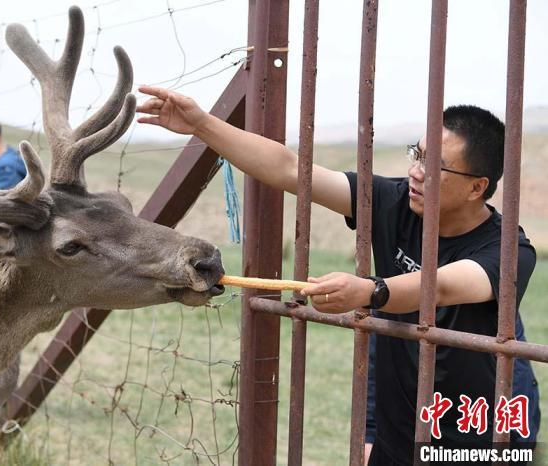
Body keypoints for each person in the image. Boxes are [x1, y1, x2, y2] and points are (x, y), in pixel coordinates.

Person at [136, 87, 540, 465]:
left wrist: (370, 291)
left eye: (435, 166)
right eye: (417, 155)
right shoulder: (393, 202)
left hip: (486, 434)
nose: (416, 173)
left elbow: (445, 285)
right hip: (402, 430)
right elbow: (290, 169)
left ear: (477, 188)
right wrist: (203, 124)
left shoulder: (509, 251)